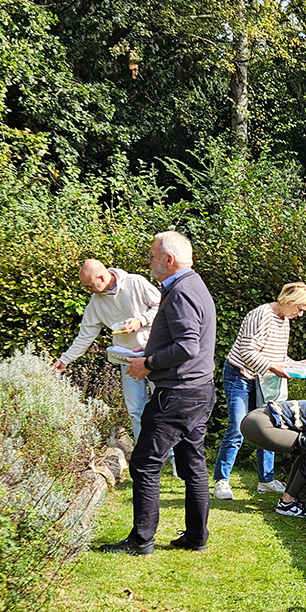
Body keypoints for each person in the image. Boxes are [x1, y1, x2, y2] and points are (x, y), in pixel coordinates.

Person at [99, 231, 217, 555]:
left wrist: (148, 363)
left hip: (177, 394)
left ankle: (141, 541)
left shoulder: (180, 291)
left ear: (169, 259)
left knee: (145, 463)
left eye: (152, 255)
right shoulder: (194, 285)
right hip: (198, 390)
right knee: (193, 464)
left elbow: (188, 346)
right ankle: (196, 536)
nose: (149, 261)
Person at [212, 283, 306, 501]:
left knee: (268, 429)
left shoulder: (284, 321)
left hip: (263, 380)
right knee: (237, 428)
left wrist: (296, 365)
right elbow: (247, 352)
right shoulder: (260, 315)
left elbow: (277, 356)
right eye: (300, 308)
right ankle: (221, 481)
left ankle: (265, 481)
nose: (301, 313)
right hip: (239, 375)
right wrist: (273, 367)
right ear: (289, 301)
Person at [53, 259, 162, 443]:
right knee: (136, 410)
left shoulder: (135, 282)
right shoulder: (96, 302)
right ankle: (146, 458)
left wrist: (141, 320)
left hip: (154, 355)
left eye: (89, 286)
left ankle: (177, 462)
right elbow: (85, 336)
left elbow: (163, 306)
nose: (88, 290)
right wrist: (65, 360)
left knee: (163, 407)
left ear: (102, 277)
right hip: (127, 359)